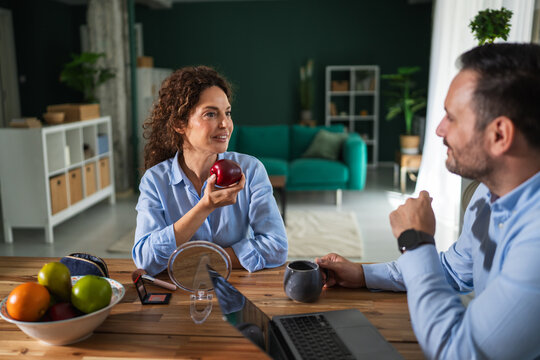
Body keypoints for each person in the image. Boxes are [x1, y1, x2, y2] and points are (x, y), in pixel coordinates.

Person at [317, 43, 540, 359]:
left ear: (500, 135)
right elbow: (450, 271)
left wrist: (416, 241)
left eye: (451, 117)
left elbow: (457, 351)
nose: (438, 129)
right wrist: (364, 274)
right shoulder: (484, 195)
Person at [132, 66, 287, 276]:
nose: (226, 124)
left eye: (228, 113)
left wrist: (200, 260)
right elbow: (145, 259)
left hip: (237, 287)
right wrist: (204, 207)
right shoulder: (155, 180)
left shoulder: (250, 170)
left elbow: (277, 247)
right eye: (211, 114)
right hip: (179, 295)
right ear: (179, 123)